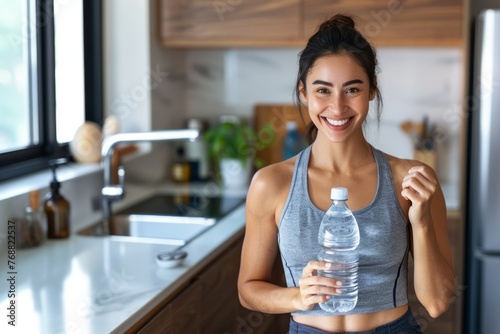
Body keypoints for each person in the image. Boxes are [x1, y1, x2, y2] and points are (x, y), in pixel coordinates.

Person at [237, 14, 455, 334]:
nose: (337, 108)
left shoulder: (412, 179)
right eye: (323, 90)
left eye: (352, 89)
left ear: (370, 91)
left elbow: (437, 303)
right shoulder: (272, 183)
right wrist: (298, 296)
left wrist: (420, 223)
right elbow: (248, 289)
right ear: (303, 92)